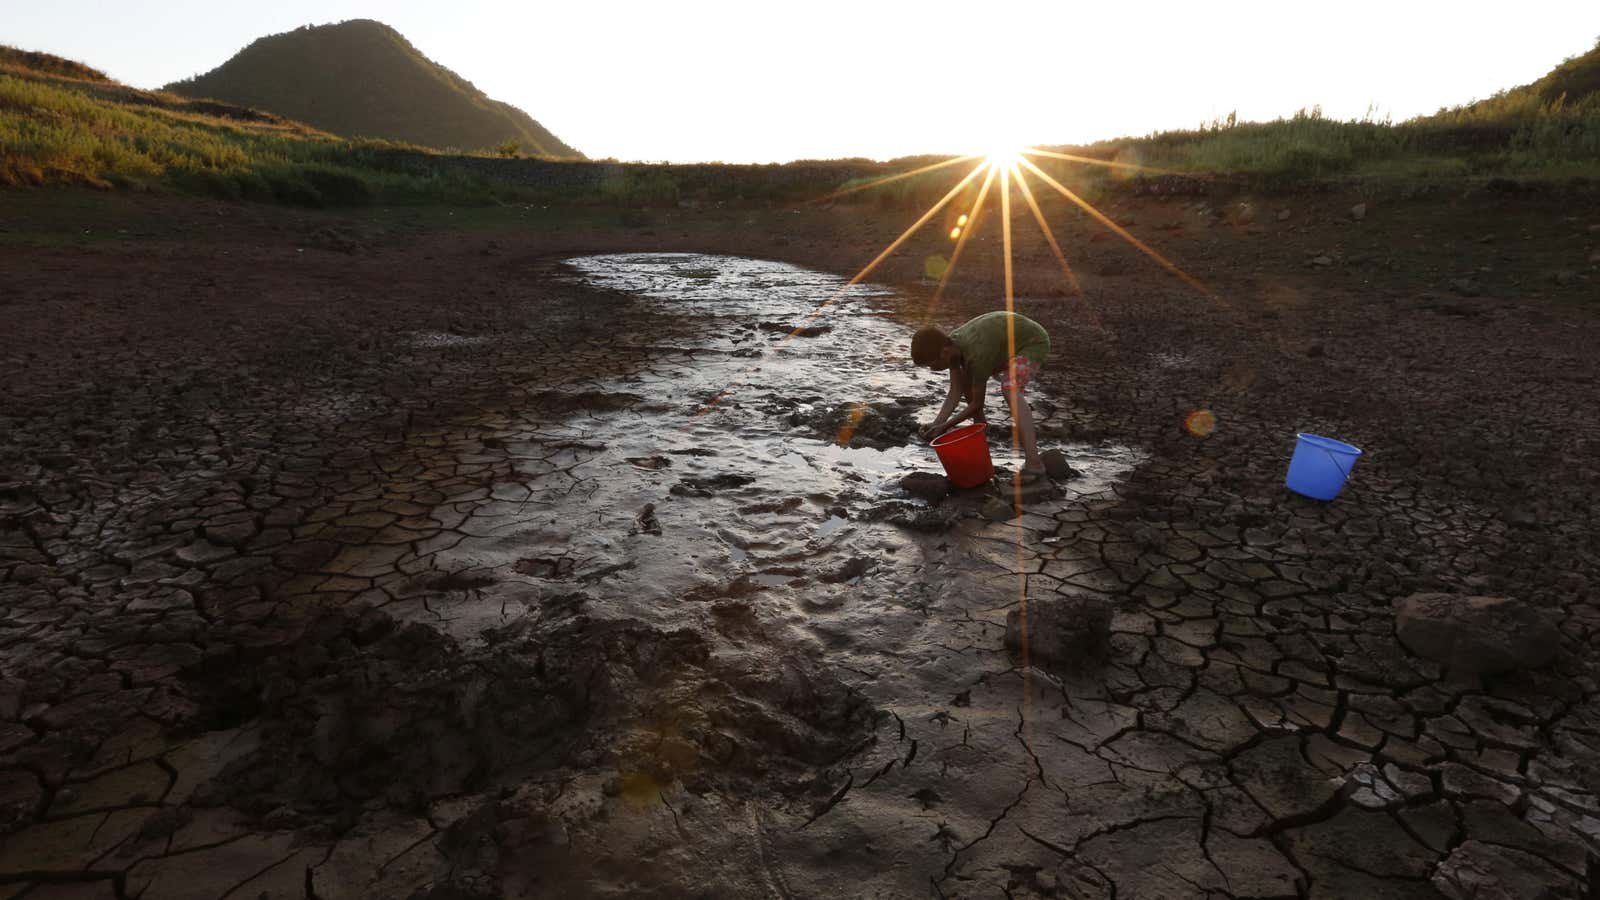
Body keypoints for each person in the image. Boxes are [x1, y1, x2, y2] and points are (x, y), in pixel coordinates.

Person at [911, 310, 1051, 482]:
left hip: (1032, 343)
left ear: (945, 351)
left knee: (1009, 389)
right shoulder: (953, 348)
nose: (933, 370)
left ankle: (1034, 463)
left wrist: (946, 426)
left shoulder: (977, 355)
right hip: (1002, 345)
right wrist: (937, 423)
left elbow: (977, 404)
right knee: (968, 383)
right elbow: (955, 391)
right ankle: (981, 434)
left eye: (933, 365)